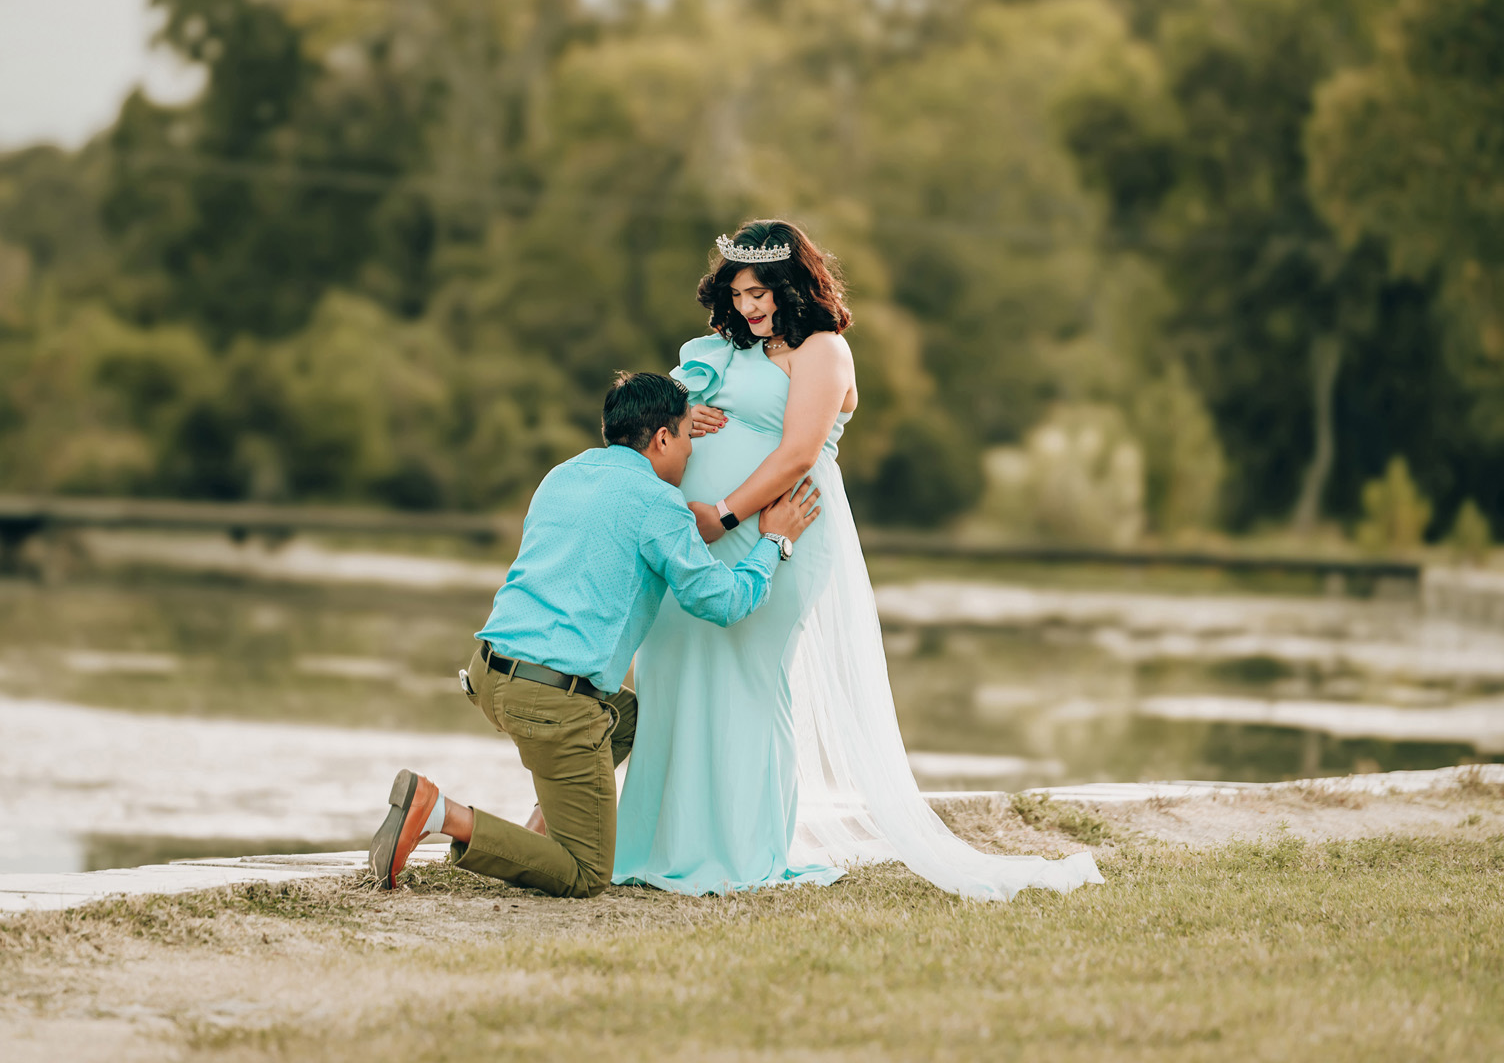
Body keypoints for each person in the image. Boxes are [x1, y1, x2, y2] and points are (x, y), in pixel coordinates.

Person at [613, 219, 1105, 899]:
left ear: (792, 287)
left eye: (761, 293)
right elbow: (658, 416)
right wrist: (685, 413)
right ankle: (657, 844)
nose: (749, 307)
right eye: (738, 294)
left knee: (748, 675)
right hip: (689, 537)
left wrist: (723, 514)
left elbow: (798, 454)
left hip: (776, 527)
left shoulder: (824, 351)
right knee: (672, 666)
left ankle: (740, 851)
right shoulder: (728, 350)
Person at [367, 371, 820, 897]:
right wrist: (774, 544)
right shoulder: (658, 503)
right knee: (585, 874)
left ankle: (540, 828)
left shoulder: (564, 474)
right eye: (688, 440)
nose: (692, 456)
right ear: (663, 438)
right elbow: (723, 602)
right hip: (549, 701)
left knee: (630, 721)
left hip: (490, 672)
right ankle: (440, 812)